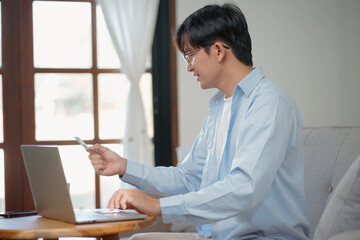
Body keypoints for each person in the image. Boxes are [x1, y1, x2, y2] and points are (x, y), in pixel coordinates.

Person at [87, 3, 309, 240]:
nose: (189, 66)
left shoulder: (269, 104)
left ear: (218, 51)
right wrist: (124, 166)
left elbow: (245, 188)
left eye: (190, 55)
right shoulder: (218, 108)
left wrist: (159, 207)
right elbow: (188, 178)